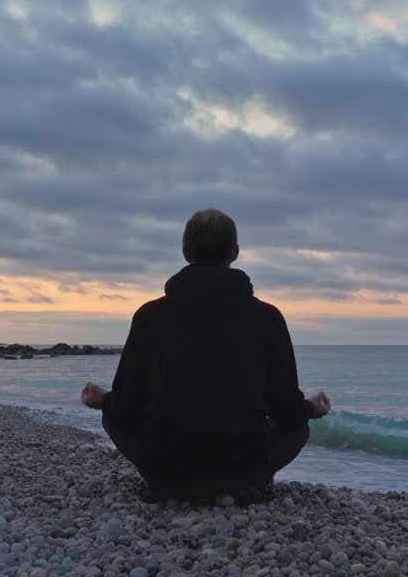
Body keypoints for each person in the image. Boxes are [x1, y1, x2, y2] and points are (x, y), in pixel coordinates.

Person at [80, 208, 331, 502]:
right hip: (244, 464)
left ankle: (172, 485)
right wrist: (311, 409)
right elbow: (285, 410)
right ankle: (243, 484)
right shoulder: (267, 317)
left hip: (166, 465)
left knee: (113, 417)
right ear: (235, 252)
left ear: (186, 252)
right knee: (298, 427)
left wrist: (105, 401)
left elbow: (128, 405)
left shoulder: (150, 316)